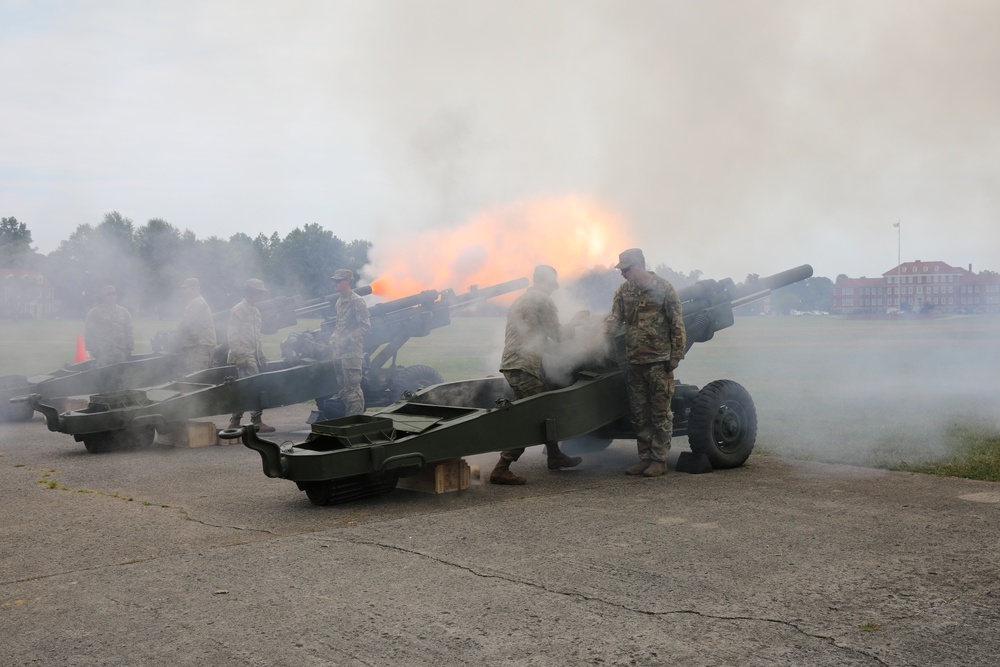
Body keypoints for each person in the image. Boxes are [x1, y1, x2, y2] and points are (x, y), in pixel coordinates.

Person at [490, 265, 584, 485]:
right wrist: (577, 322)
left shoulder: (522, 299)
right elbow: (558, 335)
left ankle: (554, 455)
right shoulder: (542, 300)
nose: (555, 288)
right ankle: (501, 468)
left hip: (517, 364)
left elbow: (536, 336)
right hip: (524, 366)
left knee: (544, 413)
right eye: (554, 283)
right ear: (549, 282)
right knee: (532, 416)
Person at [605, 248, 686, 478]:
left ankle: (659, 460)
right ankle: (644, 458)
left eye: (626, 269)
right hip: (634, 361)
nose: (622, 273)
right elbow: (614, 320)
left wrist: (675, 356)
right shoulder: (623, 291)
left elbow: (676, 324)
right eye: (621, 269)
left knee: (660, 412)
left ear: (639, 266)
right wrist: (597, 340)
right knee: (639, 413)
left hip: (658, 361)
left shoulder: (664, 288)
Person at [227, 278, 275, 433]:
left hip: (252, 353)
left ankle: (236, 420)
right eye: (258, 292)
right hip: (244, 354)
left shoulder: (255, 311)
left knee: (244, 388)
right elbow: (232, 335)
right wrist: (240, 355)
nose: (260, 295)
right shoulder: (239, 309)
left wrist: (261, 356)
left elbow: (257, 337)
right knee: (254, 386)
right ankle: (256, 420)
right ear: (250, 291)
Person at [327, 269, 371, 417]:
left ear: (347, 281)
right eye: (334, 280)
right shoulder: (339, 302)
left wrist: (347, 339)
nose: (336, 283)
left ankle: (356, 421)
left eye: (339, 280)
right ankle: (348, 418)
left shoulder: (357, 301)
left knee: (353, 390)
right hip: (338, 353)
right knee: (343, 390)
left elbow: (365, 326)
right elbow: (339, 325)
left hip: (351, 354)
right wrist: (333, 337)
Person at [173, 277, 217, 375]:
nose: (184, 292)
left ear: (193, 289)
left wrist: (173, 341)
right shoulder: (197, 302)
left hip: (201, 347)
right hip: (200, 345)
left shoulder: (197, 303)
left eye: (185, 289)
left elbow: (185, 325)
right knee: (194, 373)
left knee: (196, 375)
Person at [84, 285, 134, 368]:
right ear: (103, 297)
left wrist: (130, 348)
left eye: (113, 294)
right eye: (108, 295)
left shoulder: (124, 312)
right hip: (103, 353)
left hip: (120, 352)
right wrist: (92, 349)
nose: (111, 297)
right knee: (103, 377)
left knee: (121, 376)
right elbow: (89, 331)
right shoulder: (94, 313)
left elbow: (129, 331)